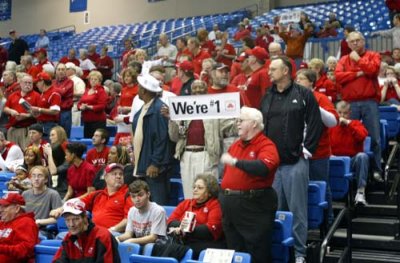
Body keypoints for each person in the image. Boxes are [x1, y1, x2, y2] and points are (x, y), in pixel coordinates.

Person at [261, 56, 323, 263]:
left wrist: (307, 150)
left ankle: (299, 253)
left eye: (273, 69)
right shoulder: (267, 95)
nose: (269, 72)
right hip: (272, 164)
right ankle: (278, 251)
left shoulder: (303, 94)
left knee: (297, 210)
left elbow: (315, 123)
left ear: (286, 71)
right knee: (274, 210)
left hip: (295, 162)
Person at [219, 107, 280, 263]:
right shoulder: (235, 145)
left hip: (253, 206)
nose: (237, 124)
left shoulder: (266, 145)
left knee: (257, 251)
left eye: (241, 120)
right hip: (230, 206)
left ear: (254, 124)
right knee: (234, 250)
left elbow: (264, 168)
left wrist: (236, 162)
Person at [167, 80, 236, 198]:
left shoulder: (214, 107)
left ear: (207, 90)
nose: (198, 90)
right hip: (186, 155)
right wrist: (171, 118)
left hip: (207, 154)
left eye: (201, 88)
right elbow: (174, 137)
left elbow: (230, 128)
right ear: (191, 91)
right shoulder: (184, 108)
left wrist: (237, 115)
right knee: (189, 194)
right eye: (195, 88)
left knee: (208, 193)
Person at [335, 31, 383, 182]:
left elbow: (373, 70)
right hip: (350, 103)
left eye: (358, 41)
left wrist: (359, 62)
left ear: (363, 41)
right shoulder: (343, 59)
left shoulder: (373, 55)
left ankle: (376, 170)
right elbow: (338, 77)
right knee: (350, 136)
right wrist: (358, 73)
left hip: (369, 101)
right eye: (352, 41)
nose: (355, 44)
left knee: (374, 138)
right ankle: (354, 169)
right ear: (348, 44)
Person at [295, 69, 338, 222]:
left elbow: (333, 121)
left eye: (301, 78)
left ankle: (328, 220)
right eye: (297, 78)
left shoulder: (320, 98)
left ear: (311, 82)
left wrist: (315, 106)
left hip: (318, 153)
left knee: (321, 187)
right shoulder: (293, 98)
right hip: (297, 153)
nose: (297, 81)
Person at [132, 74, 173, 205]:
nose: (137, 89)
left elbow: (162, 139)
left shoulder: (158, 109)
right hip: (145, 164)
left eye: (139, 87)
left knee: (158, 204)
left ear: (144, 90)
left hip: (155, 168)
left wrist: (155, 163)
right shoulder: (144, 108)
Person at [168, 173, 225, 258]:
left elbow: (210, 230)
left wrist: (188, 229)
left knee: (177, 250)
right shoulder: (186, 203)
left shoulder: (215, 205)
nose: (195, 190)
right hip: (184, 241)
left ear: (210, 192)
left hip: (205, 243)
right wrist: (182, 226)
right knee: (162, 248)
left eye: (200, 188)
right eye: (194, 187)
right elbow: (170, 222)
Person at [53, 198, 121, 262]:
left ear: (85, 218)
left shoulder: (103, 237)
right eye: (67, 220)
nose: (71, 224)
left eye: (76, 219)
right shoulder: (68, 238)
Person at [329, 101, 369, 205]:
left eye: (345, 113)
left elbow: (362, 136)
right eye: (340, 112)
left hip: (351, 161)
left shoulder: (356, 124)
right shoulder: (331, 126)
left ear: (349, 113)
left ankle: (360, 192)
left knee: (362, 156)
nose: (342, 116)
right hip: (334, 161)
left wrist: (348, 124)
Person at [117, 180, 167, 244]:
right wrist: (117, 239)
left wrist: (131, 241)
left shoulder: (158, 211)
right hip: (140, 245)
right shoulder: (132, 211)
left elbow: (153, 237)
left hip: (156, 248)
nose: (137, 199)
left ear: (148, 194)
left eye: (140, 195)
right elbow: (128, 234)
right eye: (133, 196)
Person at [3, 74, 40, 150]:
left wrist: (27, 115)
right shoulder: (13, 95)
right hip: (13, 129)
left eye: (30, 83)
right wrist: (11, 111)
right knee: (12, 152)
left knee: (26, 151)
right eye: (25, 82)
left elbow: (39, 113)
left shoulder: (36, 96)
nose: (27, 85)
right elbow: (5, 108)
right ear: (20, 84)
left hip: (27, 129)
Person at [0, 192, 39, 262]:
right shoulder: (3, 222)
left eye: (5, 206)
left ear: (17, 208)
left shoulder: (26, 223)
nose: (0, 210)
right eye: (0, 206)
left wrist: (1, 248)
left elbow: (25, 250)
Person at [23, 165, 63, 231]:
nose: (36, 179)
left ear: (46, 179)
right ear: (30, 178)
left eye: (40, 176)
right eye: (33, 175)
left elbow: (58, 219)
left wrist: (40, 222)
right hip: (26, 228)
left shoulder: (53, 194)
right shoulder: (25, 194)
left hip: (43, 229)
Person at [30, 72, 61, 140]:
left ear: (42, 82)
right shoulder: (43, 94)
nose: (36, 85)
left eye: (37, 82)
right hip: (41, 124)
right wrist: (36, 113)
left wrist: (38, 109)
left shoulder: (54, 93)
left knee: (47, 145)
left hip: (49, 125)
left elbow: (55, 111)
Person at [78, 70, 108, 138]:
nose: (93, 81)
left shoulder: (101, 91)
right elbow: (80, 103)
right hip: (86, 121)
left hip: (98, 121)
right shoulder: (87, 90)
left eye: (95, 79)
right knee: (87, 139)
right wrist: (80, 107)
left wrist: (89, 107)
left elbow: (102, 106)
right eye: (91, 79)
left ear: (99, 81)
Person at [44, 125, 69, 195]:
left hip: (63, 187)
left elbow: (53, 171)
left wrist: (49, 154)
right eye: (50, 135)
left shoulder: (67, 150)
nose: (50, 138)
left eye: (53, 135)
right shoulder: (54, 149)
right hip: (53, 185)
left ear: (60, 135)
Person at [53, 63, 74, 138]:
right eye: (58, 69)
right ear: (56, 71)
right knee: (55, 135)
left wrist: (53, 90)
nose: (61, 71)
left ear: (66, 71)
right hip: (54, 112)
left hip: (65, 112)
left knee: (64, 135)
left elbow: (62, 92)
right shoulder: (53, 82)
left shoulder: (70, 82)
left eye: (63, 69)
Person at [65, 62, 85, 126]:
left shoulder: (78, 81)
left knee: (74, 126)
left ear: (72, 70)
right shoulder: (64, 80)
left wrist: (68, 93)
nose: (65, 71)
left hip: (75, 105)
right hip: (65, 106)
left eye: (66, 69)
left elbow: (82, 94)